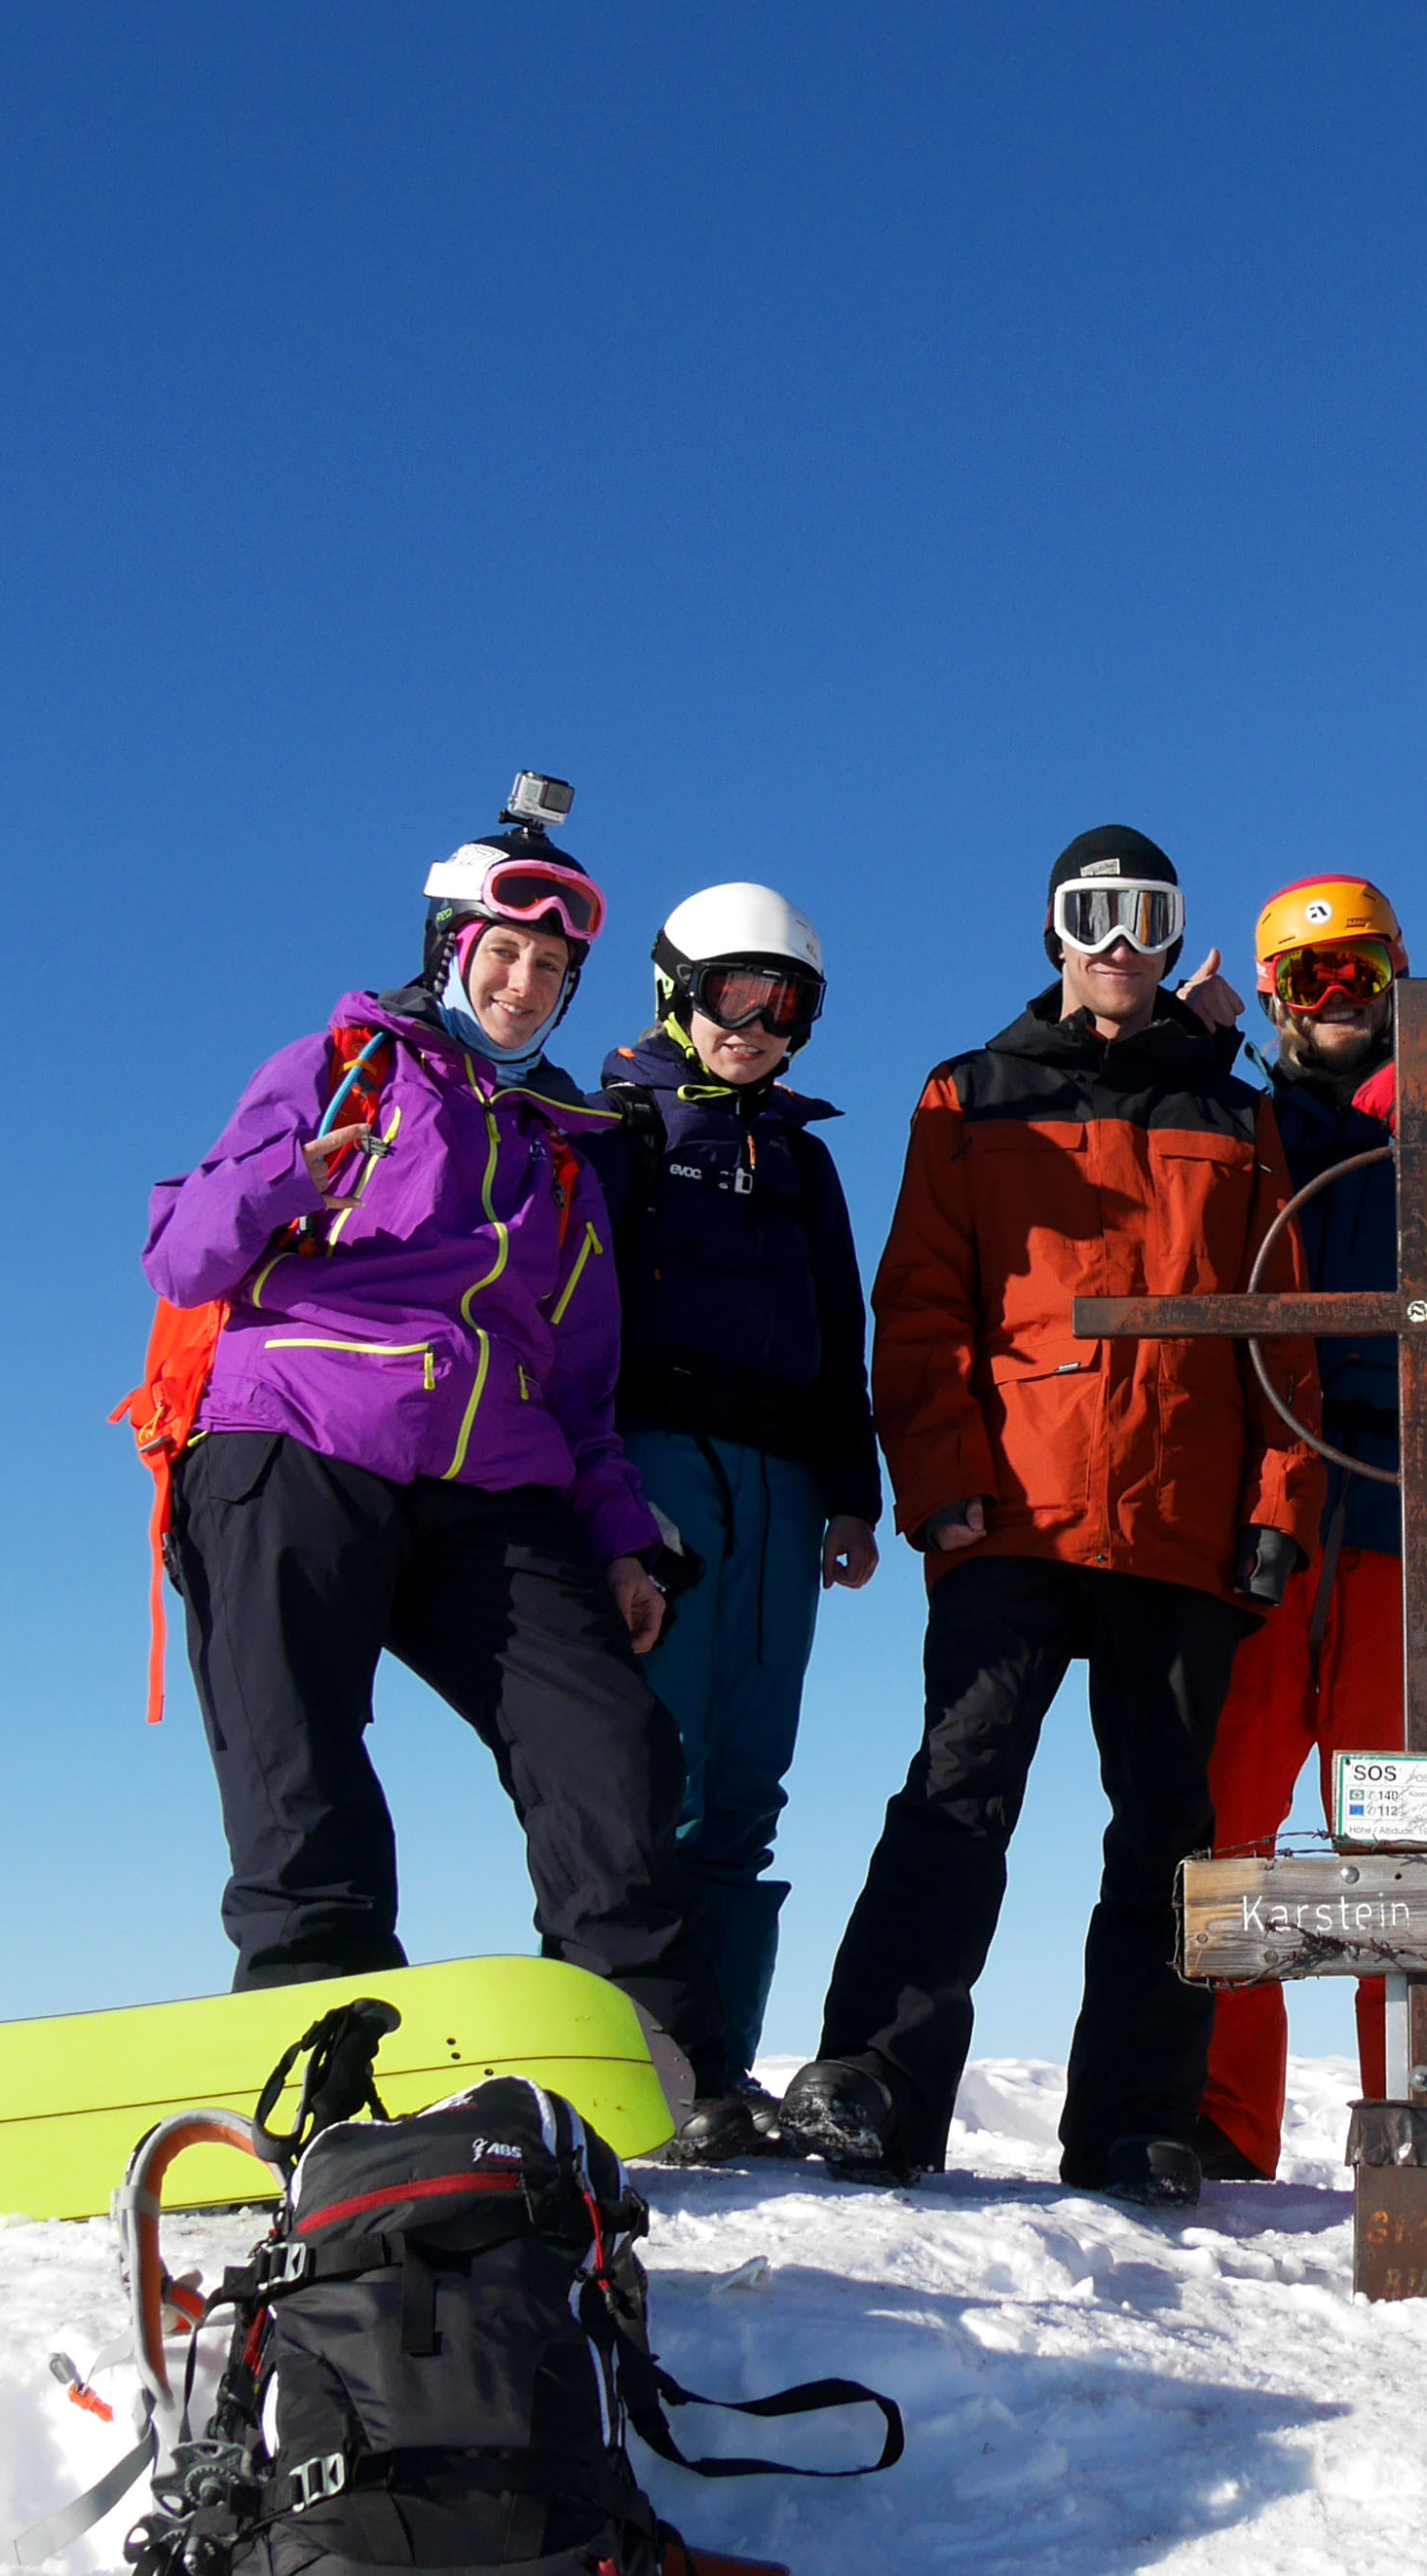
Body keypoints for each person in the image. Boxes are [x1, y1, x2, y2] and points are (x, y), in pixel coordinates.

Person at [139, 780, 716, 2119]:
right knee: (299, 1751)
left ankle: (632, 2056)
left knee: (615, 1748)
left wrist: (624, 1542)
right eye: (502, 954)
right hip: (295, 1438)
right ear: (452, 950)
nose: (522, 985)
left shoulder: (563, 1159)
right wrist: (295, 1174)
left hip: (488, 1487)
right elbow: (184, 1253)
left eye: (551, 970)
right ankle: (320, 2035)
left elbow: (581, 1393)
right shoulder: (338, 1069)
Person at [779, 827, 1327, 2201]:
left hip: (1184, 1525)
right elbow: (920, 1309)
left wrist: (1277, 1500)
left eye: (1147, 916)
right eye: (1095, 915)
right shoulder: (973, 1097)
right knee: (957, 1795)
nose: (1122, 944)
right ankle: (879, 2088)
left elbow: (1281, 1329)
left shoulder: (1233, 1115)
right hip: (1012, 1516)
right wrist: (944, 1484)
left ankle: (1136, 2123)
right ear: (1053, 934)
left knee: (1170, 1830)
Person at [1191, 876, 1427, 2179]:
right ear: (1275, 1000)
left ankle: (1414, 2119)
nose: (1331, 999)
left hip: (1408, 1507)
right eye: (1304, 980)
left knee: (1409, 1824)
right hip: (1259, 1500)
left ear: (1397, 973)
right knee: (1225, 1811)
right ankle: (1220, 2127)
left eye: (1356, 972)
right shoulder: (1238, 1116)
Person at [586, 884, 886, 2165]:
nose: (759, 1024)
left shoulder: (802, 1160)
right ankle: (619, 2064)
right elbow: (573, 1311)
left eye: (788, 1004)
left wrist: (851, 1491)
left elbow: (839, 1329)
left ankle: (718, 2072)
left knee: (749, 1782)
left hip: (781, 1475)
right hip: (659, 1458)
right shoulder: (615, 1134)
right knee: (648, 1769)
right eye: (734, 994)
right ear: (674, 992)